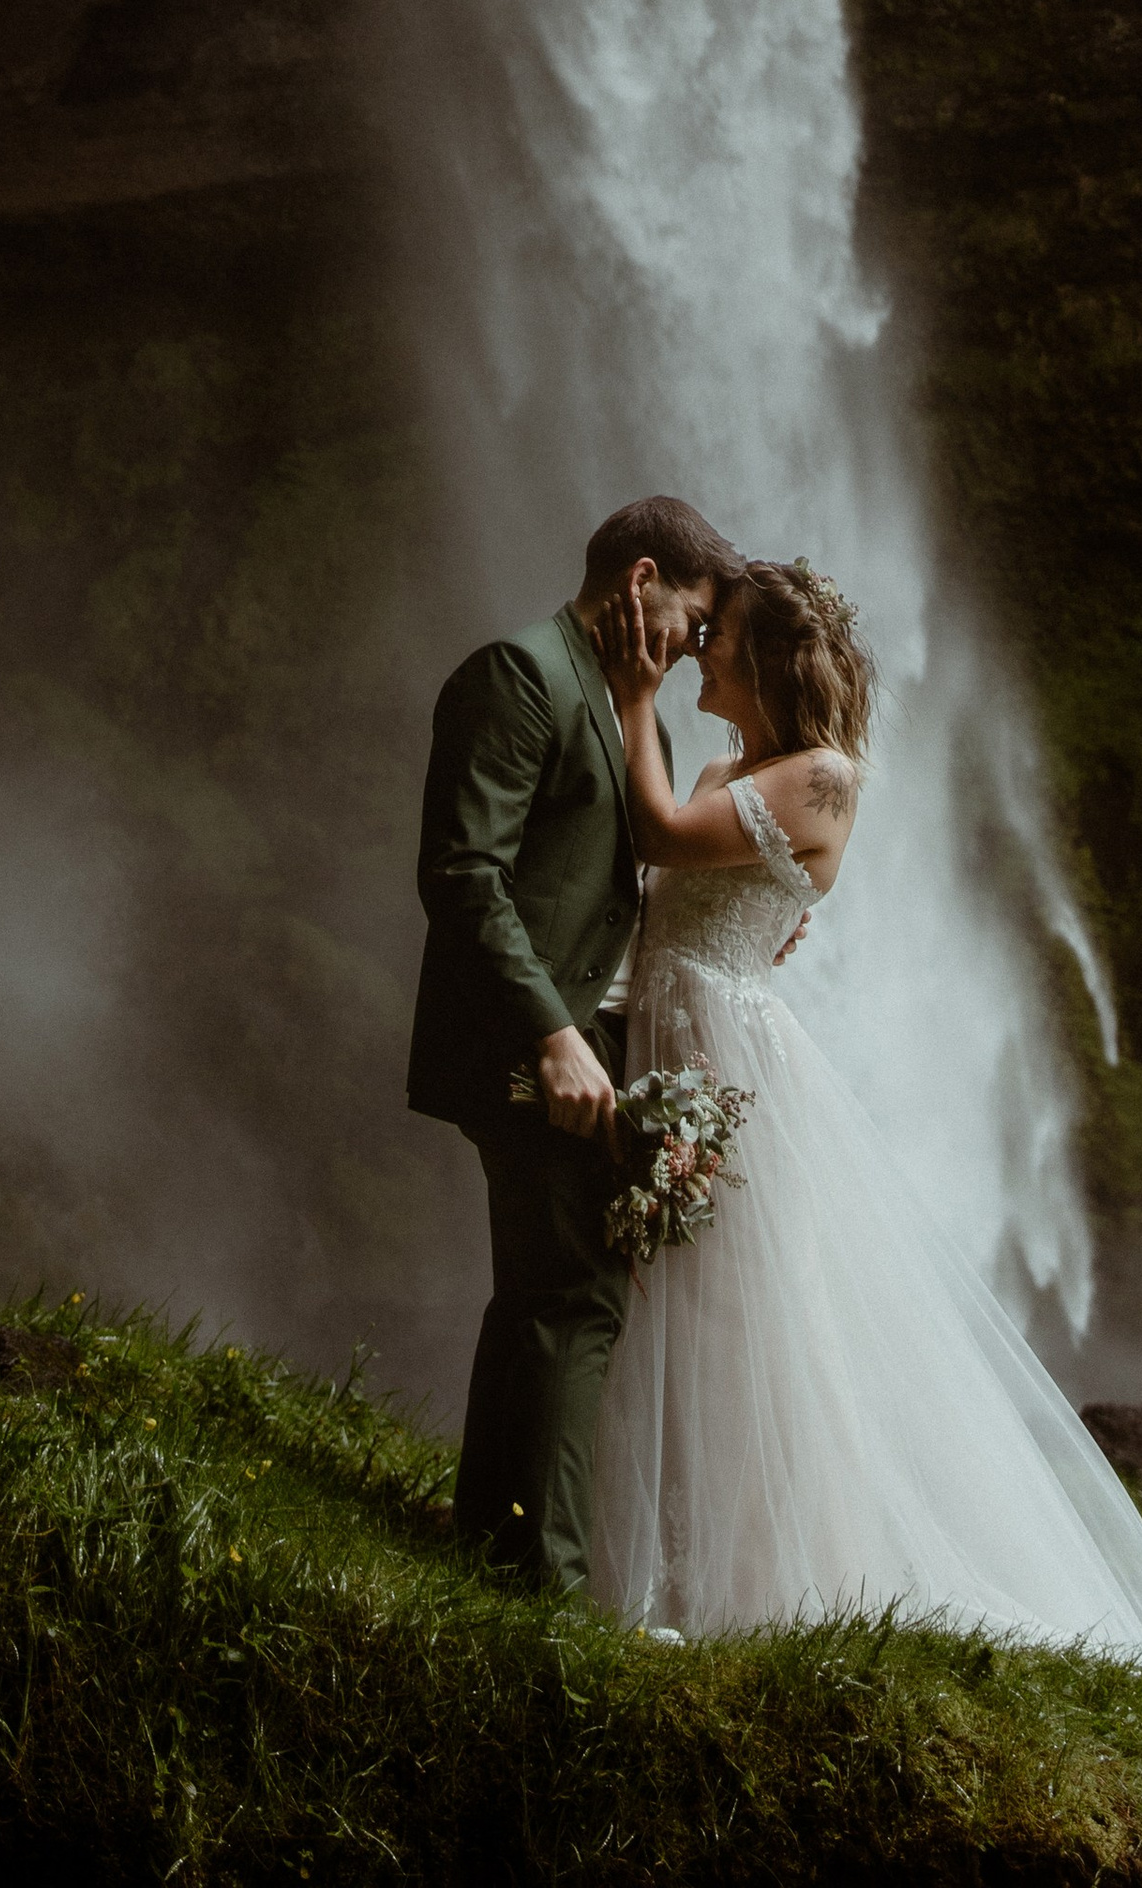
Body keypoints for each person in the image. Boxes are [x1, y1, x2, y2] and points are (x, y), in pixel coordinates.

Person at [585, 556, 1142, 1887]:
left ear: (763, 661)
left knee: (751, 1314)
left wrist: (631, 697)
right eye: (689, 647)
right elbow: (680, 882)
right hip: (672, 1045)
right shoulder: (728, 778)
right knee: (682, 1310)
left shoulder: (820, 777)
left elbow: (655, 843)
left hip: (733, 1066)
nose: (695, 654)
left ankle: (761, 1586)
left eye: (717, 643)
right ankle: (687, 1570)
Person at [406, 490, 742, 1597]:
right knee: (574, 1298)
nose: (697, 652)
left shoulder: (612, 692)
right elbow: (463, 872)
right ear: (640, 581)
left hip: (575, 1031)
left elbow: (594, 868)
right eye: (694, 621)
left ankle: (491, 1550)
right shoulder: (519, 675)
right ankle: (540, 1588)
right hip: (529, 1038)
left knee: (545, 1294)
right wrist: (553, 1032)